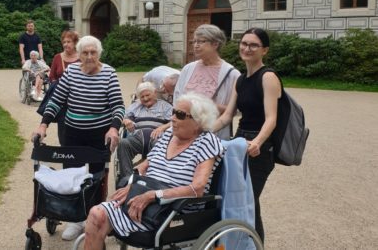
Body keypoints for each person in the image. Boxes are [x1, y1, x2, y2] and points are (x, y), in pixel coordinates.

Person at [84, 93, 224, 250]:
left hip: (175, 212)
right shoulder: (168, 135)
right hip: (144, 201)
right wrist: (132, 187)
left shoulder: (206, 141)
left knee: (101, 217)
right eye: (173, 112)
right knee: (96, 214)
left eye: (180, 114)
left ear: (198, 122)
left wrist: (153, 195)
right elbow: (142, 167)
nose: (172, 118)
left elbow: (197, 188)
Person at [33, 35, 125, 241]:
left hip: (98, 133)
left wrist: (113, 128)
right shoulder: (72, 71)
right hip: (73, 132)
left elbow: (118, 105)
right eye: (85, 53)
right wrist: (43, 124)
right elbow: (56, 100)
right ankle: (75, 220)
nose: (90, 56)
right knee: (72, 176)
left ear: (99, 54)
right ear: (79, 55)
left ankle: (94, 219)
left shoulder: (109, 73)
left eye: (93, 52)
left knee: (95, 178)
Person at [213, 27, 281, 243]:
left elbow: (271, 118)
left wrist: (258, 142)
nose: (247, 48)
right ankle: (250, 243)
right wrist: (202, 132)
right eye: (244, 43)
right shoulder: (240, 79)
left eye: (253, 45)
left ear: (264, 50)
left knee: (249, 200)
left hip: (259, 148)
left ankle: (253, 243)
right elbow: (226, 117)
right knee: (244, 200)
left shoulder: (268, 77)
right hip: (240, 142)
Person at [174, 24, 240, 140]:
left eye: (201, 41)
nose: (196, 45)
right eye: (194, 42)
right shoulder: (188, 69)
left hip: (212, 135)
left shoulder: (232, 74)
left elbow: (234, 111)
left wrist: (208, 106)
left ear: (215, 44)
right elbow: (177, 99)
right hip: (184, 132)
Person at [116, 82, 173, 187]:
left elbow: (174, 121)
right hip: (137, 137)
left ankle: (153, 180)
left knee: (161, 146)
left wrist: (163, 127)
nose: (145, 99)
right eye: (142, 97)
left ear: (154, 93)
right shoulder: (135, 106)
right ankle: (127, 180)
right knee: (123, 143)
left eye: (148, 95)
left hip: (158, 138)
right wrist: (126, 121)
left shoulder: (165, 106)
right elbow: (123, 117)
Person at [48, 30, 80, 145]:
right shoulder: (57, 57)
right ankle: (65, 155)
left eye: (69, 41)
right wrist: (59, 84)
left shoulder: (81, 58)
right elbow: (51, 77)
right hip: (62, 102)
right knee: (63, 131)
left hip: (78, 101)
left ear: (75, 43)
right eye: (64, 42)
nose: (66, 44)